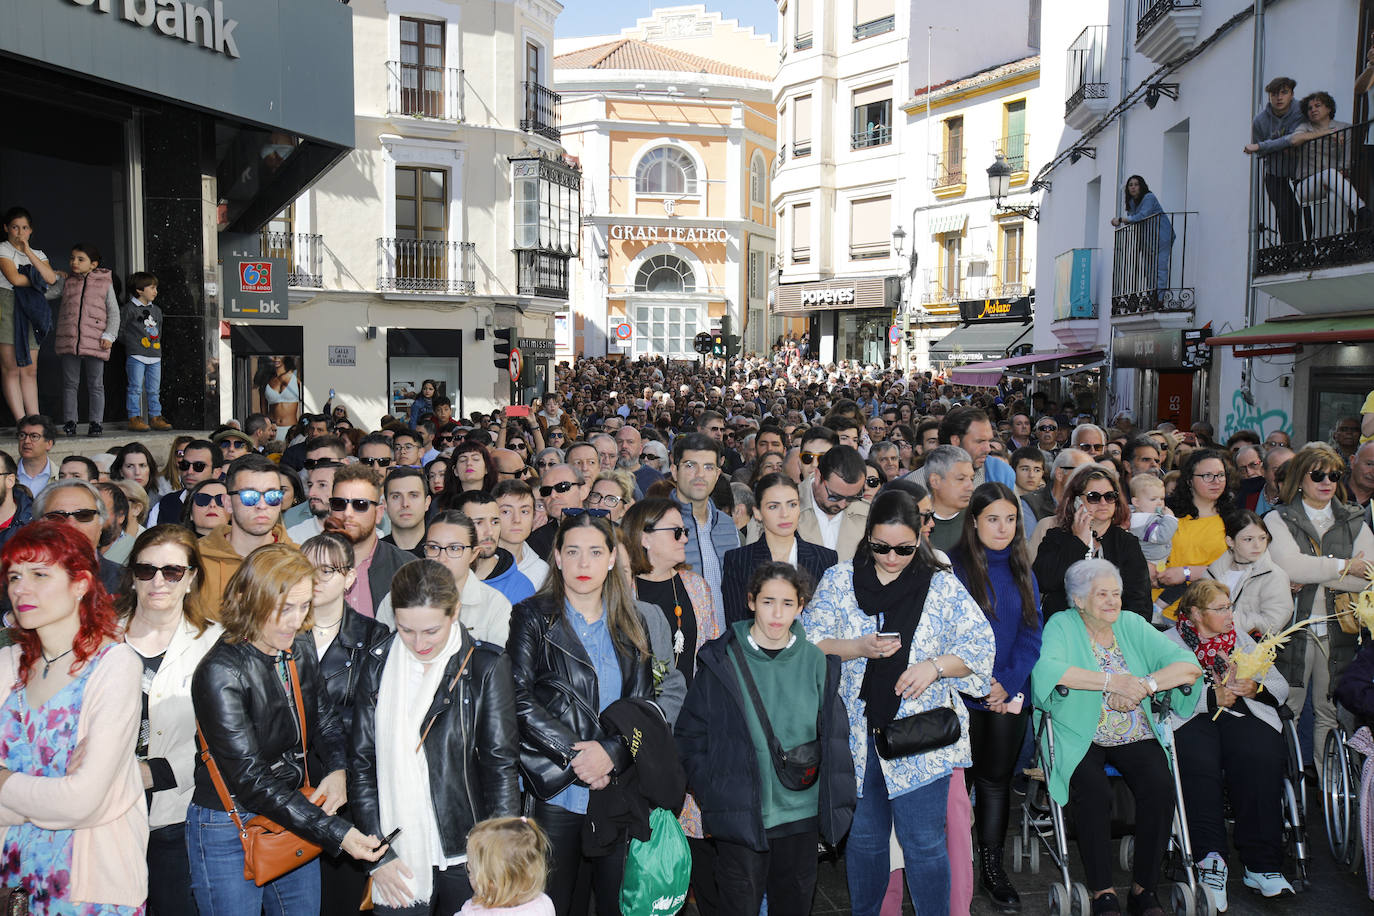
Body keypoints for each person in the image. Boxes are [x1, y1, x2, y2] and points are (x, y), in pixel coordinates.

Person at [804, 490, 994, 916]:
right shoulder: (839, 580)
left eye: (905, 548)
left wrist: (934, 667)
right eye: (881, 546)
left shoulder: (940, 584)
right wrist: (857, 647)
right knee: (867, 839)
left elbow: (980, 646)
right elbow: (809, 643)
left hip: (920, 734)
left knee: (924, 842)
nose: (892, 557)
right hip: (857, 732)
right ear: (867, 536)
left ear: (920, 539)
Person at [188, 544, 387, 913]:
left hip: (294, 812)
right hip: (231, 823)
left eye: (303, 606)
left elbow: (324, 719)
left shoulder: (297, 647)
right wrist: (337, 833)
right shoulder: (220, 672)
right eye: (283, 608)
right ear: (247, 598)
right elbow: (250, 780)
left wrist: (339, 769)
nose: (295, 621)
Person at [506, 513, 685, 916]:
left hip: (616, 789)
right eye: (572, 552)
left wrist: (611, 754)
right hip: (555, 786)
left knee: (616, 904)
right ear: (556, 557)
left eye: (594, 552)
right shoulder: (532, 617)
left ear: (611, 559)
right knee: (550, 904)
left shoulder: (633, 620)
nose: (583, 564)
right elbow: (516, 698)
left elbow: (642, 707)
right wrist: (580, 756)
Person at [675, 562, 856, 916]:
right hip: (742, 817)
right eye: (768, 601)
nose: (777, 613)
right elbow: (690, 735)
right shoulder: (722, 660)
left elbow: (833, 738)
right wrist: (715, 793)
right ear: (751, 602)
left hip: (801, 819)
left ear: (801, 606)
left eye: (788, 603)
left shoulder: (816, 661)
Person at [1031, 559, 1203, 916]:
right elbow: (1048, 670)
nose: (1112, 601)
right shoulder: (1062, 624)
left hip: (1134, 730)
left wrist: (1145, 685)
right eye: (1102, 594)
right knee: (1092, 789)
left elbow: (1188, 665)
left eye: (1116, 594)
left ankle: (1144, 890)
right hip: (1080, 731)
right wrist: (1112, 682)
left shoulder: (1132, 624)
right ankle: (1102, 892)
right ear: (1078, 600)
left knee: (1159, 783)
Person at [350, 560, 521, 914]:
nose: (418, 642)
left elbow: (500, 762)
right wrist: (376, 853)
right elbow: (362, 762)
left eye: (431, 631)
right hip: (396, 850)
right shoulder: (377, 663)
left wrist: (499, 846)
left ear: (455, 611)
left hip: (469, 848)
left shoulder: (485, 665)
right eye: (405, 629)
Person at [0, 520, 147, 913]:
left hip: (89, 889)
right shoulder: (5, 665)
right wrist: (56, 791)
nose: (21, 588)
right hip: (11, 881)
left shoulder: (115, 664)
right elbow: (73, 800)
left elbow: (81, 800)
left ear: (80, 583)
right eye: (14, 576)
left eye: (39, 574)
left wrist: (5, 780)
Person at [1165, 580, 1294, 910]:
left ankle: (1262, 863)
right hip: (1191, 717)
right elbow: (1161, 694)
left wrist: (1253, 687)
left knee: (1261, 754)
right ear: (1194, 613)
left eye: (1229, 607)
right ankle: (1211, 861)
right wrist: (1209, 697)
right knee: (1199, 762)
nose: (1229, 615)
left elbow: (1278, 686)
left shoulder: (1239, 640)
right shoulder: (1167, 643)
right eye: (1220, 609)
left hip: (1240, 711)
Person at [115, 524, 222, 915]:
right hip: (104, 817)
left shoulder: (216, 645)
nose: (158, 581)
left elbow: (226, 741)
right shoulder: (96, 641)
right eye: (146, 570)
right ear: (132, 577)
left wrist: (155, 773)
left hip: (179, 819)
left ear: (191, 578)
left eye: (172, 571)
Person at [949, 483, 1042, 912]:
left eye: (1010, 519)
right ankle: (955, 868)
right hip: (960, 694)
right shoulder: (951, 568)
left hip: (1007, 695)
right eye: (992, 519)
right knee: (956, 788)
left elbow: (1030, 633)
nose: (1002, 528)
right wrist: (981, 680)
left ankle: (992, 868)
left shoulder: (1024, 567)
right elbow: (947, 633)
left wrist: (1006, 681)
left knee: (994, 783)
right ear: (973, 521)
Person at [1264, 445, 1374, 768]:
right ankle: (1286, 784)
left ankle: (1329, 786)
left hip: (1340, 629)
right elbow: (1289, 566)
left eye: (1333, 475)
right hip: (1289, 630)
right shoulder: (1277, 517)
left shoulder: (1354, 518)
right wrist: (1343, 567)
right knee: (1289, 708)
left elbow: (1367, 576)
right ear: (1300, 478)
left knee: (1331, 712)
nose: (1326, 481)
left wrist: (1313, 572)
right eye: (1317, 475)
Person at [298, 531, 391, 913]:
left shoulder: (374, 636)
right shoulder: (280, 634)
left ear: (350, 577)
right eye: (307, 568)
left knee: (340, 900)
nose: (317, 578)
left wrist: (345, 774)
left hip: (348, 787)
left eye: (328, 570)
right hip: (289, 786)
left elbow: (372, 721)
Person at [623, 497, 721, 686]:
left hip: (691, 707)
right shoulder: (622, 590)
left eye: (684, 531)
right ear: (645, 538)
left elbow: (711, 654)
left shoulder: (697, 587)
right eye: (676, 532)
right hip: (640, 709)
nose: (684, 538)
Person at [721, 473, 837, 625]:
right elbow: (736, 624)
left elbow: (830, 622)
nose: (785, 514)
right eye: (773, 506)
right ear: (757, 512)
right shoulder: (738, 560)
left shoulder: (825, 559)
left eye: (792, 504)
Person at [199, 453, 295, 604]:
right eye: (250, 496)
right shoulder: (196, 559)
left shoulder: (298, 559)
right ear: (228, 503)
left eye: (272, 495)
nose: (262, 505)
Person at [49, 242, 120, 438]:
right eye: (72, 258)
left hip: (96, 341)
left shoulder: (105, 283)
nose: (74, 262)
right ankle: (70, 421)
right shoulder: (67, 281)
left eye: (81, 259)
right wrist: (50, 275)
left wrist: (109, 335)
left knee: (96, 384)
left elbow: (114, 313)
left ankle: (96, 422)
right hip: (70, 340)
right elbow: (49, 293)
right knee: (69, 384)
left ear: (93, 264)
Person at [328, 463, 417, 619]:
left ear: (379, 513)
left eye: (360, 505)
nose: (348, 513)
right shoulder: (306, 563)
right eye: (339, 504)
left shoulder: (409, 570)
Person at [670, 433, 740, 626]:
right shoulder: (657, 524)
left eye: (709, 467)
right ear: (674, 471)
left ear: (718, 474)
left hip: (723, 646)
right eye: (690, 465)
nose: (700, 475)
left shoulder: (727, 525)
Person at [1157, 449, 1235, 619]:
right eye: (1207, 475)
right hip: (1162, 610)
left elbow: (1239, 568)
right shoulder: (1167, 513)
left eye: (1220, 475)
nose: (1216, 481)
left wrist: (1187, 572)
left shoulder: (1235, 518)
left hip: (1212, 614)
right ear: (1189, 480)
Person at [0, 208, 57, 421]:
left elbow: (50, 279)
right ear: (6, 228)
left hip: (32, 311)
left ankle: (34, 419)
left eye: (24, 228)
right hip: (7, 305)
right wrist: (37, 279)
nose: (19, 232)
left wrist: (28, 251)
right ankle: (20, 420)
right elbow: (14, 279)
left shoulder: (39, 254)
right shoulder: (3, 249)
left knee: (30, 369)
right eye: (15, 227)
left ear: (31, 230)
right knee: (11, 368)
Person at [1287, 91, 1371, 231]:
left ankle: (1341, 238)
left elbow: (1346, 161)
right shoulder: (1305, 128)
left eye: (1317, 105)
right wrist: (1326, 133)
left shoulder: (1344, 128)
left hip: (1334, 181)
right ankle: (1360, 208)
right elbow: (1294, 140)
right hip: (1306, 186)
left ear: (1329, 108)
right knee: (1329, 174)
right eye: (1310, 108)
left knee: (1334, 196)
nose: (1313, 109)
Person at [1204, 509, 1291, 639]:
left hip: (1248, 651)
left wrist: (1226, 620)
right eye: (1248, 539)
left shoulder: (1274, 575)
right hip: (1209, 646)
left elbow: (1274, 622)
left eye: (1262, 538)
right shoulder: (1213, 572)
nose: (1257, 545)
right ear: (1230, 541)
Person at [1244, 76, 1305, 245]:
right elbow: (1260, 152)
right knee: (1285, 211)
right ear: (1269, 96)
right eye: (1274, 94)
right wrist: (1279, 145)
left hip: (1301, 168)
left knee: (1305, 209)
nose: (1279, 98)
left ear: (1292, 94)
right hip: (1275, 172)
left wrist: (1267, 146)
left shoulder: (1301, 111)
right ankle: (1291, 251)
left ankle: (1307, 249)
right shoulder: (1260, 121)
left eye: (1284, 93)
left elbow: (1296, 139)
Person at [458, 817, 555, 916]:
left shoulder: (473, 912)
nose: (467, 868)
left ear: (490, 882)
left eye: (470, 870)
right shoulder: (544, 904)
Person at [797, 444, 870, 561]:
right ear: (818, 477)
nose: (842, 504)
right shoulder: (787, 508)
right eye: (835, 496)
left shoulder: (868, 515)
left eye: (851, 498)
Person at [122, 271, 171, 432]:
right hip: (136, 354)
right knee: (135, 387)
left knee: (153, 389)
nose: (155, 291)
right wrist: (132, 344)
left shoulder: (156, 310)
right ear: (139, 290)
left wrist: (154, 345)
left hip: (154, 355)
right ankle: (134, 417)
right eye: (151, 287)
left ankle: (155, 417)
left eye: (156, 287)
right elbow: (120, 330)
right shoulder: (129, 309)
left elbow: (160, 330)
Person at [1110, 175, 1174, 297]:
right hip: (1147, 240)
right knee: (1148, 271)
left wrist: (1121, 219)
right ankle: (1151, 298)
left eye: (1136, 184)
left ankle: (1159, 299)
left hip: (1162, 237)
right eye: (1130, 185)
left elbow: (1141, 216)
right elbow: (1134, 219)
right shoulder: (1131, 203)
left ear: (1141, 186)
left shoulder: (1149, 197)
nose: (1133, 187)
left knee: (1160, 268)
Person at [148, 438, 220, 526]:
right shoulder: (164, 505)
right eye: (185, 465)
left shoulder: (228, 506)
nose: (189, 471)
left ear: (216, 472)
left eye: (198, 466)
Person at [923, 445, 976, 553]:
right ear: (935, 481)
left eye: (971, 479)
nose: (970, 487)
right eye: (961, 479)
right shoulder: (914, 521)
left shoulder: (978, 517)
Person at [382, 466, 430, 557]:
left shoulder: (443, 554)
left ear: (427, 502)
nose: (405, 504)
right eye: (396, 496)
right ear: (385, 504)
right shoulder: (374, 556)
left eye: (413, 495)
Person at [16, 414, 57, 499]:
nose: (26, 441)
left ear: (49, 444)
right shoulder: (7, 474)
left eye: (34, 436)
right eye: (22, 435)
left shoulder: (60, 477)